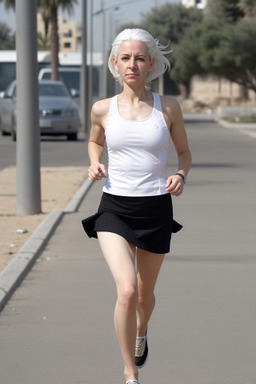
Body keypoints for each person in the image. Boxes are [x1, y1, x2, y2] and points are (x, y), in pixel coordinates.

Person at [82, 28, 192, 384]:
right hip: (114, 208)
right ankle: (130, 374)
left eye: (140, 58)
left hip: (156, 209)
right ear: (116, 63)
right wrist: (95, 161)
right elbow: (94, 141)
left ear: (151, 64)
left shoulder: (169, 107)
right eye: (126, 58)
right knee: (126, 290)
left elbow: (185, 153)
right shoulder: (102, 108)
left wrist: (180, 174)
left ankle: (141, 328)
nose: (133, 64)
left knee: (144, 297)